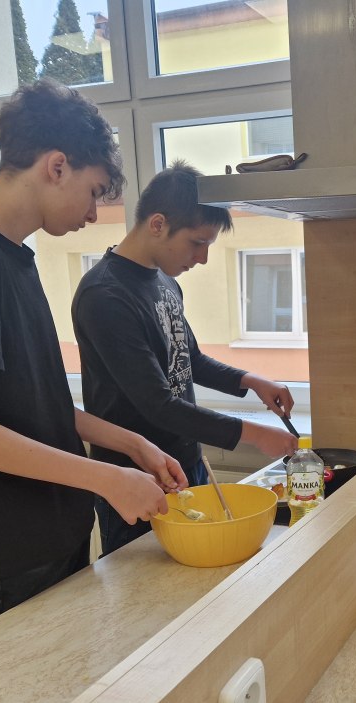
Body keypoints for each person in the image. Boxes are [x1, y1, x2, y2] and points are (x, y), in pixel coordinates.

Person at [0, 80, 188, 633]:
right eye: (94, 191)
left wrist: (133, 445)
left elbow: (36, 405)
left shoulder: (14, 258)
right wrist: (107, 479)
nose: (94, 213)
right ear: (57, 166)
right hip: (6, 546)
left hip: (53, 528)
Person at [72, 160, 298, 555]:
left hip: (184, 462)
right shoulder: (105, 296)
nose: (203, 258)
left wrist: (250, 381)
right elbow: (158, 405)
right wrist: (257, 434)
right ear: (158, 224)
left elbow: (188, 359)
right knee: (139, 584)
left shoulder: (165, 282)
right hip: (135, 478)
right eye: (197, 243)